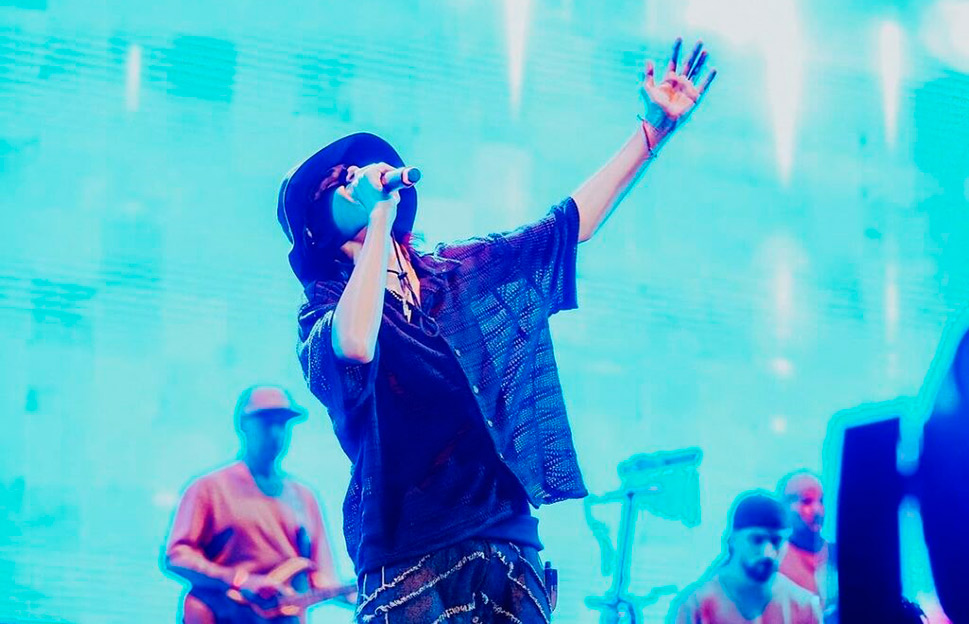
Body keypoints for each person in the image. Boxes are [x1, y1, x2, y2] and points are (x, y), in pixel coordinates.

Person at [277, 38, 717, 622]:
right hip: (408, 559)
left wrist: (651, 133)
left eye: (360, 168)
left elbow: (566, 228)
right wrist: (379, 216)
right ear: (318, 228)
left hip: (505, 545)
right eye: (339, 181)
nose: (356, 177)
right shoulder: (321, 312)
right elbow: (357, 344)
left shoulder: (457, 276)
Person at [164, 385, 349, 623]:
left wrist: (361, 591)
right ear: (243, 424)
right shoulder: (209, 488)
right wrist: (240, 580)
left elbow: (322, 578)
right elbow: (178, 556)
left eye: (282, 423)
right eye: (266, 421)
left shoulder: (305, 498)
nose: (275, 432)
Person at [669, 492, 822, 624]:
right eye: (757, 540)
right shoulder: (695, 606)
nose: (767, 553)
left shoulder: (804, 606)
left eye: (776, 541)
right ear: (732, 539)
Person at [777, 471, 836, 609]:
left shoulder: (840, 556)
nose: (818, 510)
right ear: (783, 508)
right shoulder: (773, 561)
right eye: (806, 501)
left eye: (821, 501)